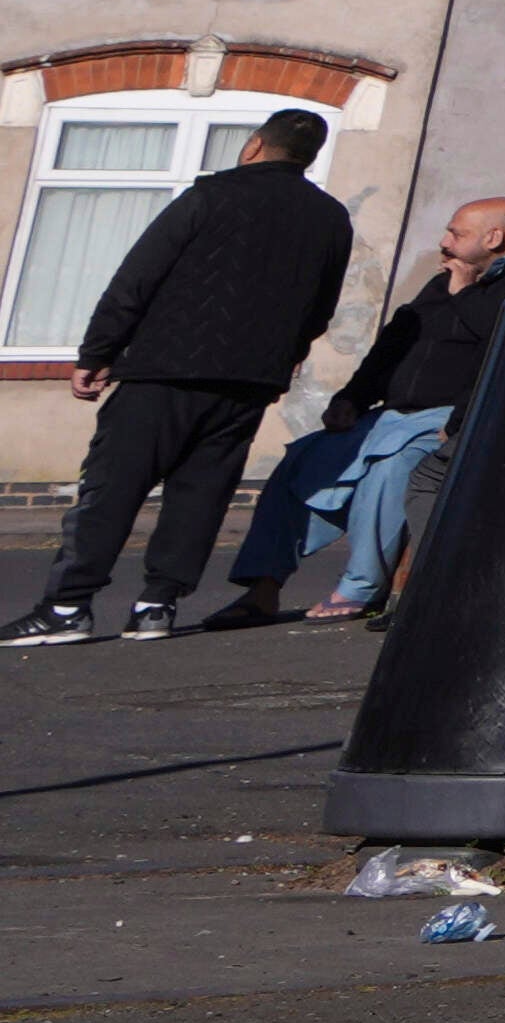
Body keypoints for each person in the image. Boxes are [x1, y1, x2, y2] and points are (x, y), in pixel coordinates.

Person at [18, 113, 361, 645]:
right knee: (202, 493)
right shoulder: (330, 218)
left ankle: (68, 607)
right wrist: (281, 360)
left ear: (253, 146)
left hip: (166, 368)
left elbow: (137, 278)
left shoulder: (209, 197)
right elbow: (321, 307)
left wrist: (97, 351)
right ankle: (157, 605)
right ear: (309, 157)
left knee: (113, 487)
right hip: (248, 380)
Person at [198, 194, 505, 632]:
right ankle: (262, 588)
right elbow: (394, 345)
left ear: (494, 238)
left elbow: (504, 344)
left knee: (390, 469)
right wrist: (352, 398)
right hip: (390, 414)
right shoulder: (446, 279)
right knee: (302, 461)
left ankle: (361, 586)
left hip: (448, 418)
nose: (445, 241)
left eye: (456, 233)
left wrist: (465, 294)